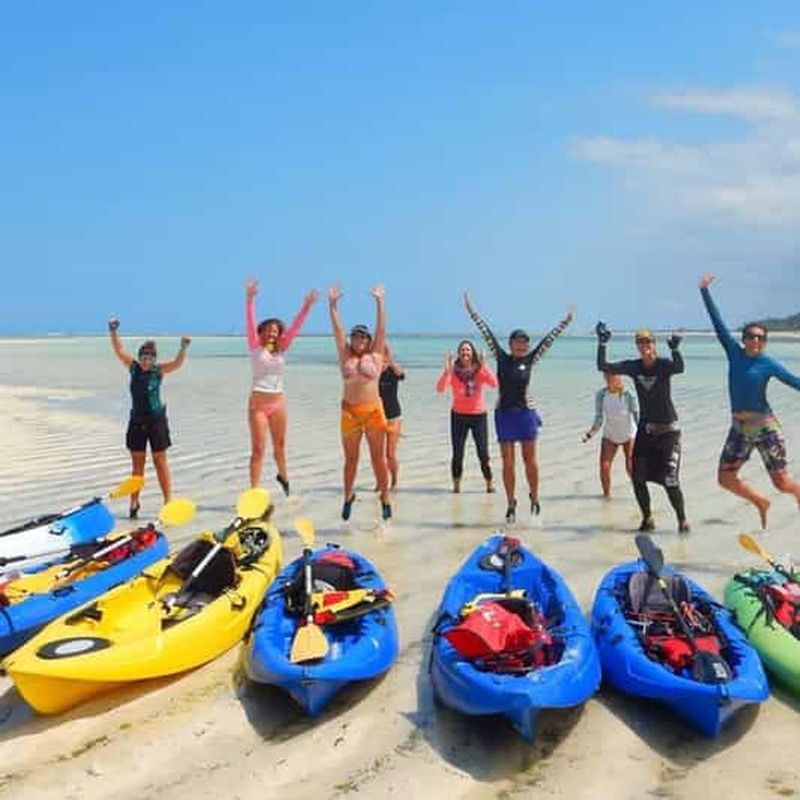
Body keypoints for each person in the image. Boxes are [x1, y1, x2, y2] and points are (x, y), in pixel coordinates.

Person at [699, 273, 800, 528]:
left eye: (760, 338)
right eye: (750, 336)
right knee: (725, 478)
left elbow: (794, 382)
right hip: (739, 428)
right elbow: (718, 323)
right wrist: (704, 292)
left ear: (764, 342)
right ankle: (760, 502)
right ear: (743, 338)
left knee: (782, 483)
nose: (755, 340)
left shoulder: (768, 364)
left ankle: (798, 494)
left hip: (765, 427)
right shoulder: (734, 353)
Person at [465, 293, 573, 523]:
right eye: (518, 342)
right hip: (504, 414)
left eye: (525, 343)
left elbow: (548, 340)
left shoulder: (531, 360)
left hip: (526, 415)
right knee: (507, 461)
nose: (522, 345)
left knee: (530, 460)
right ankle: (511, 501)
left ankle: (534, 496)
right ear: (511, 344)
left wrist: (564, 323)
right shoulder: (501, 358)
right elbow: (486, 333)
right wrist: (472, 312)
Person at [596, 321, 689, 532]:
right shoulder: (633, 366)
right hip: (646, 431)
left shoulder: (664, 366)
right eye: (640, 342)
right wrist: (602, 343)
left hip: (669, 432)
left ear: (654, 344)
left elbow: (679, 368)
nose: (644, 344)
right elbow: (603, 366)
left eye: (647, 341)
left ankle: (682, 521)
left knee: (670, 481)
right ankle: (647, 519)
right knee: (637, 478)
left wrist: (675, 350)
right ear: (637, 346)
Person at [108, 319, 191, 518]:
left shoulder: (159, 371)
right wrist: (113, 331)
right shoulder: (133, 367)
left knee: (160, 462)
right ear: (139, 357)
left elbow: (178, 363)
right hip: (137, 421)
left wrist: (183, 347)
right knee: (138, 465)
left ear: (154, 359)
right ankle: (134, 501)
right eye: (143, 357)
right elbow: (119, 349)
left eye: (149, 358)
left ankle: (167, 501)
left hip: (156, 421)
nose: (146, 361)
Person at [245, 279, 318, 495]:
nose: (272, 333)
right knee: (258, 450)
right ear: (261, 332)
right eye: (268, 330)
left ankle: (283, 476)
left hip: (278, 403)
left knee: (280, 447)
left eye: (276, 331)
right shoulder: (255, 345)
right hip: (258, 405)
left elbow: (296, 327)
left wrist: (306, 306)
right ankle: (254, 493)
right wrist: (250, 299)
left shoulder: (282, 349)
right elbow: (249, 321)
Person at [329, 284, 392, 521]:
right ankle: (348, 496)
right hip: (350, 413)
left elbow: (382, 328)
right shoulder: (345, 355)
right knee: (351, 460)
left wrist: (379, 301)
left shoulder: (376, 354)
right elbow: (337, 330)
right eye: (355, 336)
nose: (359, 339)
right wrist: (333, 305)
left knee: (379, 459)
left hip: (373, 412)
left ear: (368, 340)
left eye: (363, 336)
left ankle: (385, 496)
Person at [436, 339, 498, 493]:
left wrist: (485, 366)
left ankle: (489, 483)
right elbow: (440, 389)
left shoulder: (480, 370)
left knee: (483, 453)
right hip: (458, 417)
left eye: (468, 350)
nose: (465, 353)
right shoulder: (453, 371)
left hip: (478, 417)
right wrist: (446, 371)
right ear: (459, 354)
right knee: (458, 453)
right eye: (462, 350)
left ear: (473, 353)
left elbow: (494, 384)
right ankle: (456, 486)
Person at [581, 371, 639, 499]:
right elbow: (599, 417)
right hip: (610, 434)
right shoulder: (601, 395)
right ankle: (606, 496)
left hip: (628, 434)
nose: (609, 379)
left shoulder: (629, 395)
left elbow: (636, 416)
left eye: (612, 376)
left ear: (619, 377)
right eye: (606, 376)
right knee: (604, 466)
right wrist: (591, 432)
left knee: (630, 465)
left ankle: (639, 494)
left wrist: (643, 435)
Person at [378, 344, 405, 490]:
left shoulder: (393, 371)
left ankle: (394, 480)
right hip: (376, 417)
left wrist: (390, 358)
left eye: (384, 355)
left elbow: (402, 375)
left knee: (390, 454)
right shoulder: (372, 372)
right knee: (378, 455)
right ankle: (381, 481)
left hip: (393, 416)